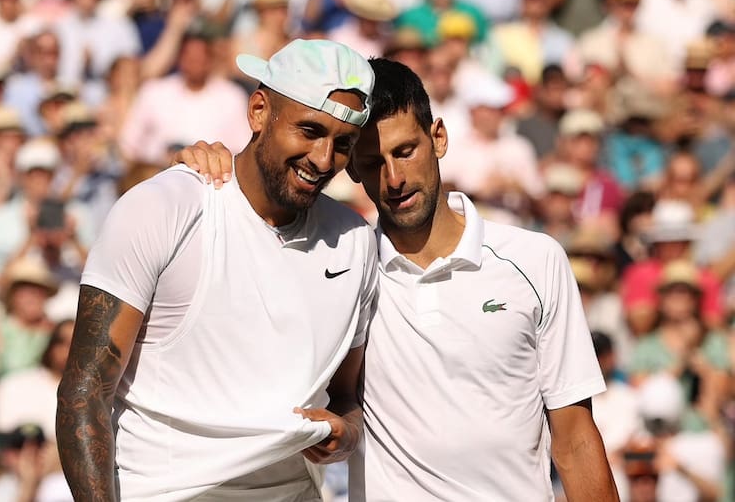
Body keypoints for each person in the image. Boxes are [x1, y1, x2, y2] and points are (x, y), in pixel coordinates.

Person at [177, 58, 618, 500]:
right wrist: (214, 168)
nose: (394, 178)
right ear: (350, 169)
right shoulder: (342, 267)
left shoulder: (536, 261)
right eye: (372, 162)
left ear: (438, 138)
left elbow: (576, 441)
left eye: (405, 151)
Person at [56, 39, 379, 501]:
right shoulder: (164, 207)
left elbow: (346, 395)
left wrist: (346, 433)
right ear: (259, 112)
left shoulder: (356, 241)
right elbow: (83, 394)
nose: (324, 160)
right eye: (309, 131)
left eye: (342, 144)